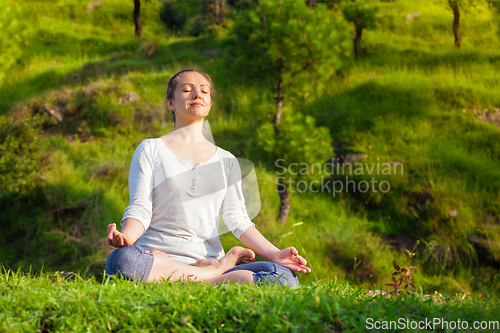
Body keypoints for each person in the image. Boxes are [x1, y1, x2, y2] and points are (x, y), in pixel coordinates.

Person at [105, 69, 311, 287]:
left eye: (204, 91)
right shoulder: (151, 149)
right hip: (156, 258)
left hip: (204, 258)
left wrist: (275, 253)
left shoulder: (226, 160)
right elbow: (140, 208)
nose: (197, 94)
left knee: (284, 278)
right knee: (123, 261)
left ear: (210, 105)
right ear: (171, 103)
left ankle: (197, 276)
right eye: (186, 90)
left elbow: (237, 218)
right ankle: (217, 273)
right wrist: (127, 237)